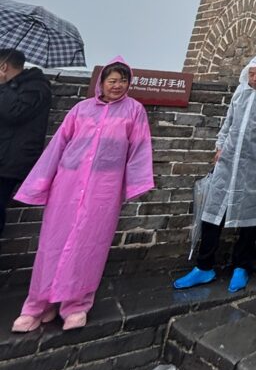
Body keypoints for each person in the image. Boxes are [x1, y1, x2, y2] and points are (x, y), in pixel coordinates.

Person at [11, 58, 154, 332]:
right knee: (52, 242)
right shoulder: (81, 109)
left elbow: (139, 149)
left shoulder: (134, 111)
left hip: (104, 189)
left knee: (90, 245)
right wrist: (41, 182)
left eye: (123, 81)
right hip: (67, 184)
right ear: (101, 82)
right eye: (112, 80)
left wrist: (136, 184)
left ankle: (75, 305)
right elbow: (58, 146)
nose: (117, 85)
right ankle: (38, 304)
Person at [174, 52, 256, 293]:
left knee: (249, 214)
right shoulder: (241, 91)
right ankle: (204, 266)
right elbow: (229, 121)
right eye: (251, 74)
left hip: (255, 162)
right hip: (228, 159)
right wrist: (220, 145)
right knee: (213, 210)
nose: (254, 79)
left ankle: (241, 266)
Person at [0, 48, 52, 246]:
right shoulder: (11, 86)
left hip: (9, 163)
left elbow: (15, 113)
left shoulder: (36, 87)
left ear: (4, 66)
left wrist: (2, 86)